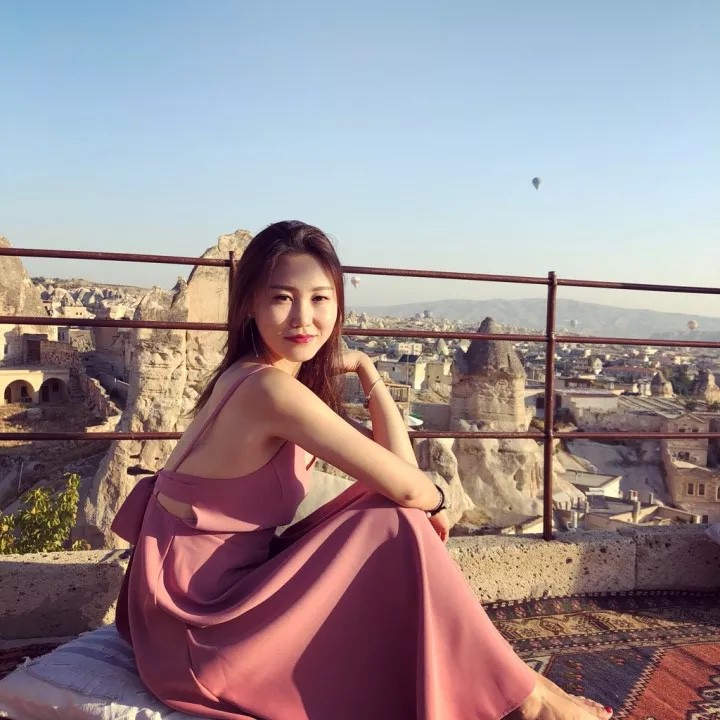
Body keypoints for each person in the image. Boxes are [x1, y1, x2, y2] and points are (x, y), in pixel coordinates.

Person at [112, 221, 613, 720]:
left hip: (197, 608)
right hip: (199, 630)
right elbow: (407, 486)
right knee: (396, 518)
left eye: (319, 298)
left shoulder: (258, 376)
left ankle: (525, 691)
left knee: (389, 511)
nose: (303, 318)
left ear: (338, 304)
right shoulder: (269, 390)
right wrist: (438, 501)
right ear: (249, 306)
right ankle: (528, 699)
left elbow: (395, 473)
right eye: (282, 298)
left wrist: (368, 372)